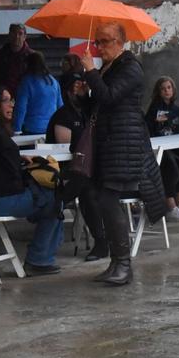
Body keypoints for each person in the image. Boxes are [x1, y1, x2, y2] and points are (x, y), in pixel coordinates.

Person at [80, 21, 164, 286]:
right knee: (100, 198)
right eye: (98, 42)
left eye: (104, 42)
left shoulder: (130, 67)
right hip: (110, 144)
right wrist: (85, 93)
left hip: (124, 144)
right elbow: (98, 104)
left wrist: (92, 73)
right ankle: (116, 262)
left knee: (107, 199)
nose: (99, 47)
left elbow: (111, 97)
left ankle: (124, 264)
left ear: (119, 42)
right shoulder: (109, 68)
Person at [0, 89, 66, 274]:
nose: (11, 104)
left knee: (54, 200)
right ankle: (39, 259)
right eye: (5, 101)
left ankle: (41, 257)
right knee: (55, 199)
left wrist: (19, 158)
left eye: (11, 99)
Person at [49, 70, 107, 260]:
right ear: (67, 92)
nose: (80, 91)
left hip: (89, 171)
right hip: (68, 170)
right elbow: (65, 152)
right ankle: (101, 242)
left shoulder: (88, 111)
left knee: (89, 189)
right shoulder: (63, 116)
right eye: (76, 88)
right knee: (87, 192)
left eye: (83, 87)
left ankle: (60, 202)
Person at [145, 75, 179, 222]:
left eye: (169, 88)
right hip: (159, 149)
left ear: (173, 89)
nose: (166, 91)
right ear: (158, 92)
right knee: (172, 170)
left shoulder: (175, 108)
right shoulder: (155, 109)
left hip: (175, 147)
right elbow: (148, 129)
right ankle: (170, 207)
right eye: (163, 89)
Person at [13, 50, 63, 137]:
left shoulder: (26, 82)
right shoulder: (53, 81)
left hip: (31, 128)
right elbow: (60, 107)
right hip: (51, 128)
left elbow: (21, 107)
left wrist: (17, 129)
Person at [0, 24, 32, 95]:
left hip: (24, 96)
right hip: (2, 97)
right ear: (9, 35)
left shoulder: (32, 56)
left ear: (24, 37)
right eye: (14, 33)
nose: (17, 37)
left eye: (20, 34)